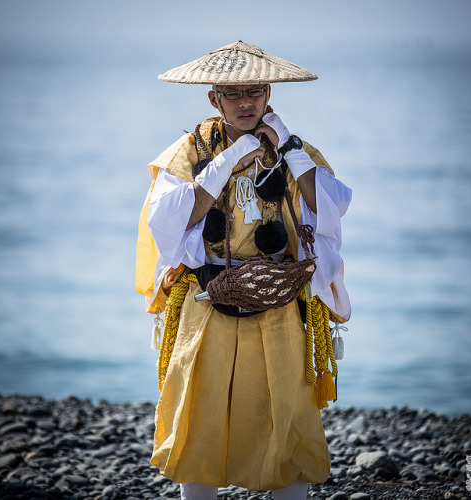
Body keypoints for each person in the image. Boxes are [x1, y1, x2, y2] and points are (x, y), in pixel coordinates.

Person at [135, 41, 352, 500]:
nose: (246, 102)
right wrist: (231, 159)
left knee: (286, 412)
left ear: (269, 93)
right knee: (201, 412)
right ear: (214, 98)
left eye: (255, 91)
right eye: (233, 94)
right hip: (210, 299)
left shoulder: (295, 149)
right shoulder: (189, 151)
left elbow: (329, 208)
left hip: (281, 299)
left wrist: (288, 147)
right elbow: (173, 219)